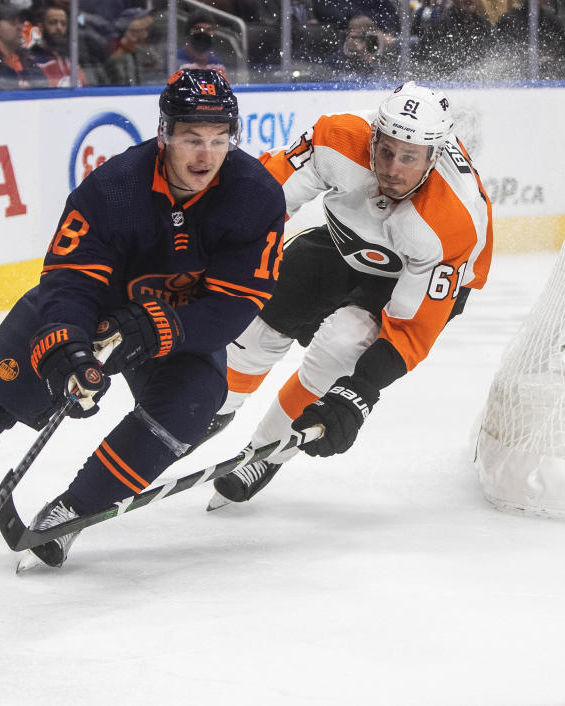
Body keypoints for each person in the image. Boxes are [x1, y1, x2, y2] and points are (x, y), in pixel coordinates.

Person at [0, 69, 287, 569]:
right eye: (192, 138)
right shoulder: (114, 187)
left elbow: (235, 303)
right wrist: (67, 348)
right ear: (165, 133)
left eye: (219, 140)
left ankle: (70, 514)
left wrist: (153, 328)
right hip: (92, 309)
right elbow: (71, 279)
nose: (206, 155)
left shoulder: (254, 195)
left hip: (177, 323)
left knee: (189, 406)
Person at [203, 82, 493, 508]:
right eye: (386, 150)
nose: (393, 168)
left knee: (342, 343)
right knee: (256, 332)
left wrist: (360, 392)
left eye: (409, 158)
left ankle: (265, 452)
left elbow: (411, 332)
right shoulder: (338, 140)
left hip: (414, 273)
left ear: (433, 158)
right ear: (374, 135)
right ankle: (207, 410)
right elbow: (263, 198)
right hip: (347, 242)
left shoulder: (449, 222)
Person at [28, 3, 89, 86]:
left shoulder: (71, 60)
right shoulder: (32, 61)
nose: (59, 28)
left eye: (63, 24)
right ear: (41, 26)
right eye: (53, 23)